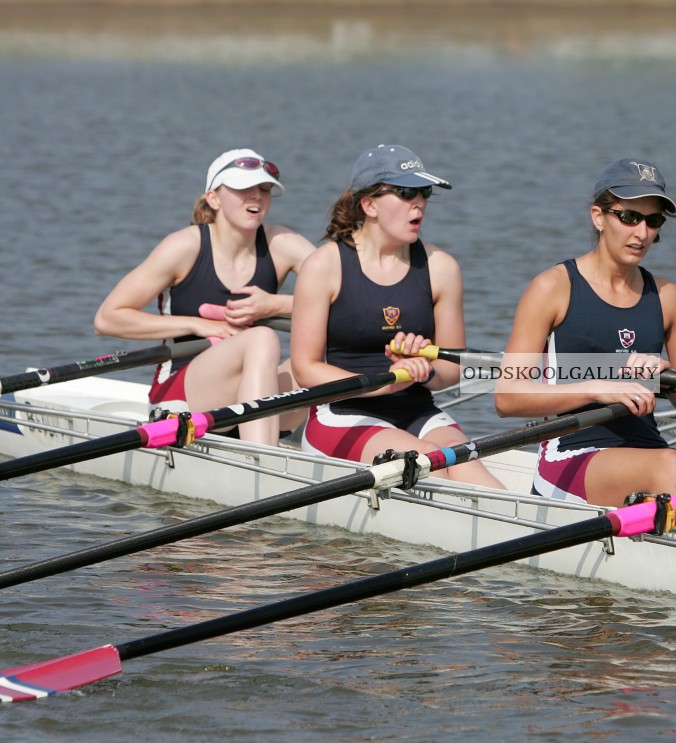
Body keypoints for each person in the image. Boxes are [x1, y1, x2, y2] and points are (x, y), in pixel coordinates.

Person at [493, 158, 676, 534]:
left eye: (653, 221)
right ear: (598, 217)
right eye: (628, 217)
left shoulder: (667, 296)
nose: (641, 233)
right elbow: (508, 396)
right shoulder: (553, 288)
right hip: (573, 454)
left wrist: (669, 378)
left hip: (649, 451)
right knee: (665, 466)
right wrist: (600, 387)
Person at [289, 144, 503, 488]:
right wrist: (391, 379)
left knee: (468, 469)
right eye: (405, 192)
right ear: (369, 205)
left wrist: (423, 368)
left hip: (417, 409)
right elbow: (305, 368)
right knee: (427, 457)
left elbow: (451, 369)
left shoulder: (441, 267)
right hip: (342, 413)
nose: (419, 202)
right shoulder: (324, 265)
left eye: (424, 192)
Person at [94, 148, 316, 446]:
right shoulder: (184, 247)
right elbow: (108, 318)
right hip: (181, 400)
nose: (257, 197)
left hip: (251, 393)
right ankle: (263, 453)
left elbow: (348, 297)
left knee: (333, 340)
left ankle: (334, 440)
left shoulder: (282, 243)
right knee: (262, 338)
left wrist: (276, 304)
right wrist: (197, 325)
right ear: (214, 198)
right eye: (243, 189)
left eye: (264, 189)